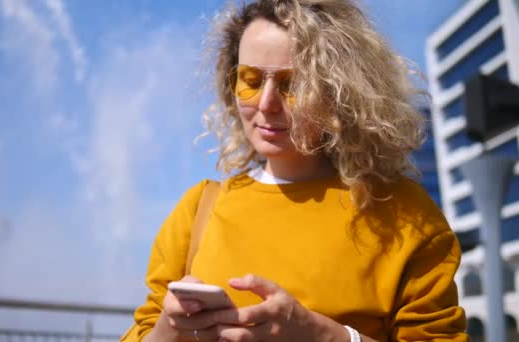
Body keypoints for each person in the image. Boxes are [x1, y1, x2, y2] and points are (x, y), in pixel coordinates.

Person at [121, 0, 468, 340]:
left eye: (293, 85)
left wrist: (325, 335)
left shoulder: (406, 216)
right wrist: (169, 331)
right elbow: (145, 329)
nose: (266, 103)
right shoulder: (198, 210)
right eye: (251, 80)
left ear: (339, 92)